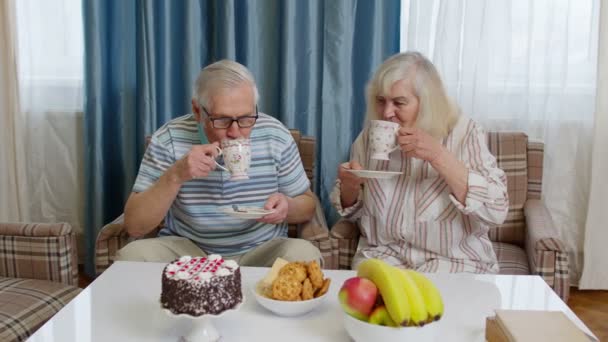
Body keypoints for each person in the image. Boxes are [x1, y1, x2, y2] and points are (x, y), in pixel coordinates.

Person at [117, 60, 321, 266]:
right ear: (197, 111)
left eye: (246, 118)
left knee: (304, 254)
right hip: (189, 251)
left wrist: (288, 206)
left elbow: (308, 205)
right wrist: (176, 175)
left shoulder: (275, 134)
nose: (235, 132)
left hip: (261, 249)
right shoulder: (168, 139)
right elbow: (134, 225)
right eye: (222, 120)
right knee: (131, 257)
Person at [331, 51, 509, 273]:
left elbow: (497, 210)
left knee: (441, 305)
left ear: (427, 103)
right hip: (384, 258)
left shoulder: (465, 133)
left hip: (454, 262)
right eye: (380, 101)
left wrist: (439, 156)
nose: (387, 113)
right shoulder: (372, 137)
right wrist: (350, 186)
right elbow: (354, 213)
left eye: (399, 102)